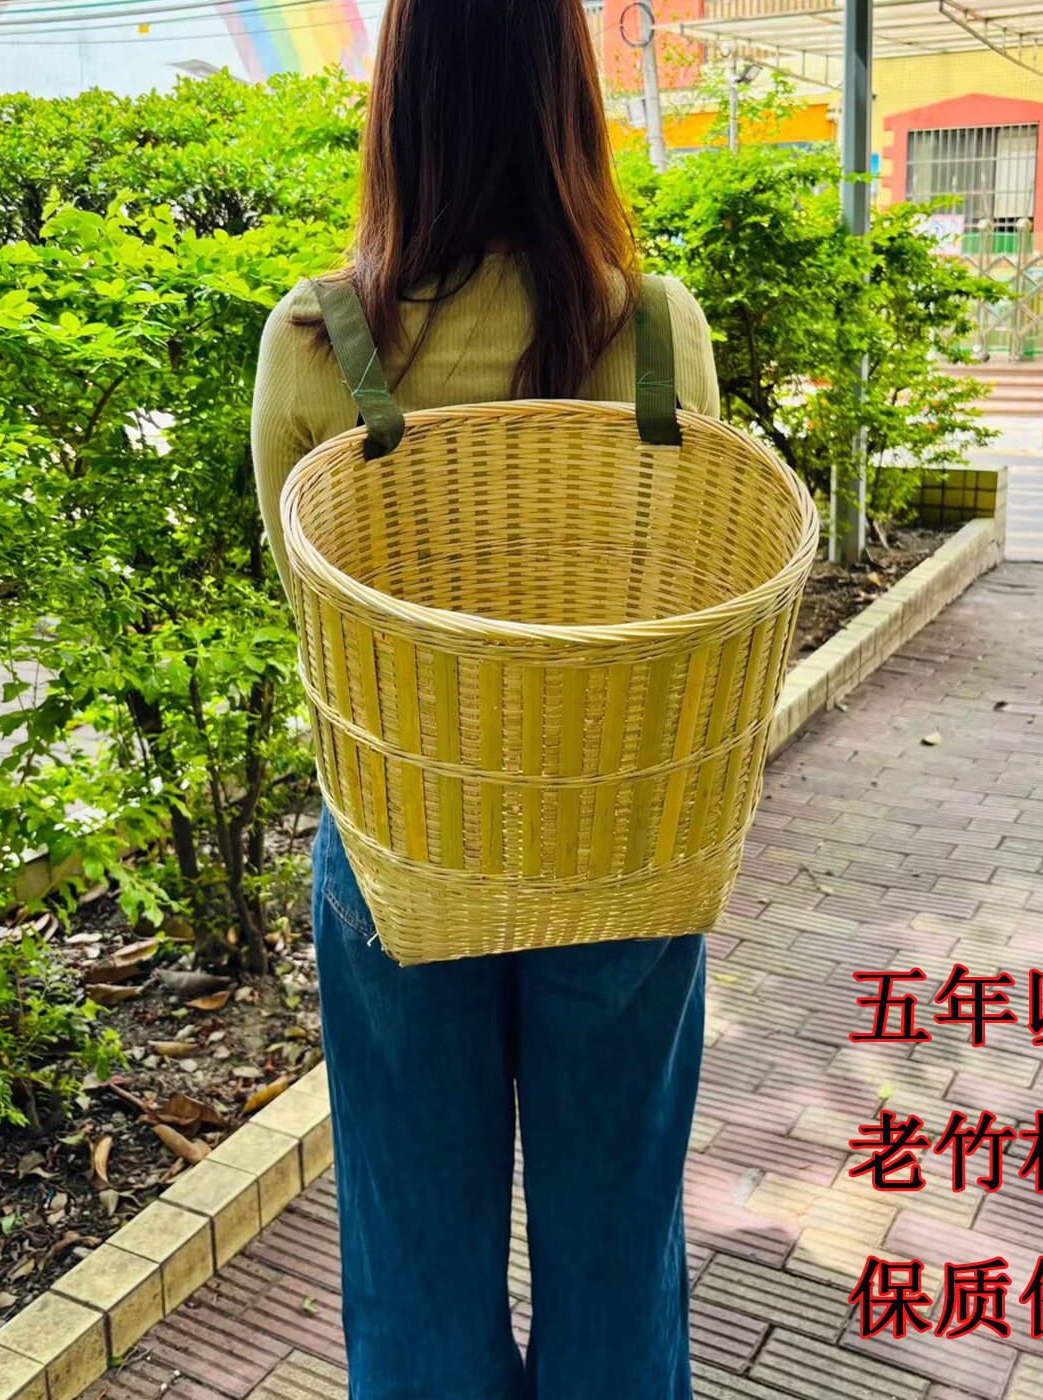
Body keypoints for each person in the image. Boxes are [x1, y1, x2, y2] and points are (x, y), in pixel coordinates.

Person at [249, 2, 719, 1396]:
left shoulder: (319, 342)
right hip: (620, 843)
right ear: (568, 94)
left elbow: (312, 605)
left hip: (403, 843)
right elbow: (691, 583)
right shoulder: (655, 329)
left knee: (414, 1253)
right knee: (618, 1244)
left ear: (401, 101)